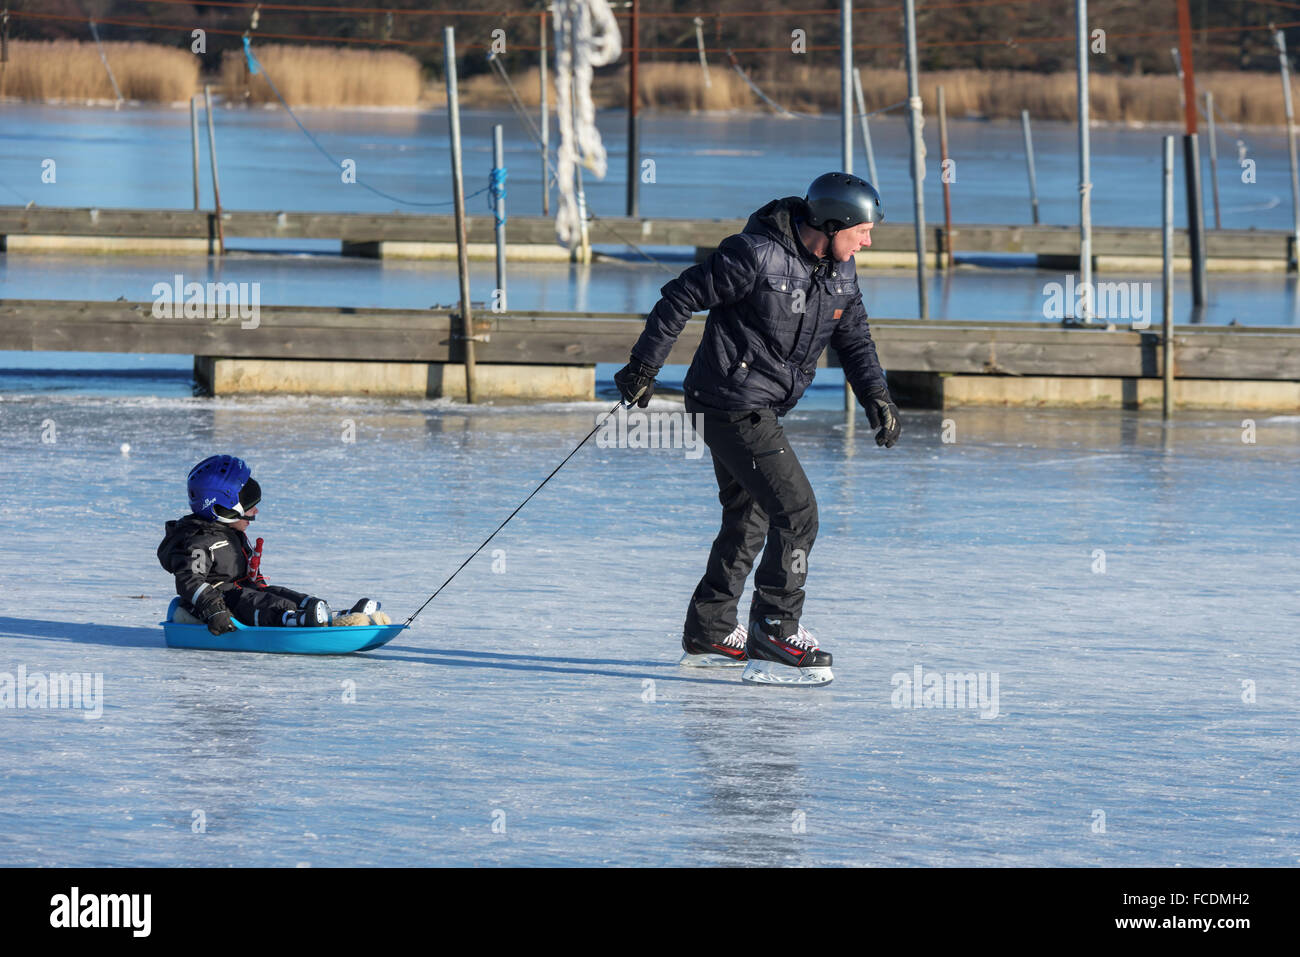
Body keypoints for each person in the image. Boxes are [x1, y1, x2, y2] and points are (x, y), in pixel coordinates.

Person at [614, 172, 901, 686]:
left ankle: (711, 632)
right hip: (730, 402)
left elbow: (854, 339)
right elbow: (680, 297)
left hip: (759, 404)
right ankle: (775, 626)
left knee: (749, 519)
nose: (867, 240)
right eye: (861, 229)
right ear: (832, 223)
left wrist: (876, 397)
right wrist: (643, 367)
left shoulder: (841, 272)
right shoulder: (756, 255)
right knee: (797, 511)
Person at [157, 455, 383, 635]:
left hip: (243, 590)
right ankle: (298, 621)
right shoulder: (198, 540)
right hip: (220, 602)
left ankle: (329, 613)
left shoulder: (229, 531)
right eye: (249, 506)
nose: (256, 512)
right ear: (222, 509)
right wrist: (213, 610)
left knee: (280, 594)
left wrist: (259, 581)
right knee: (259, 603)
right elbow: (189, 580)